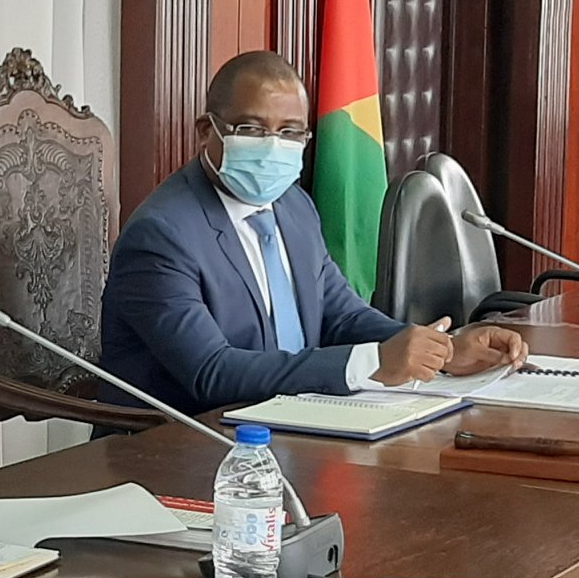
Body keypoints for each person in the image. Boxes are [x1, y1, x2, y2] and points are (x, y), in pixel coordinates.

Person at [99, 51, 526, 414]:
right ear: (207, 131)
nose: (272, 145)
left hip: (296, 422)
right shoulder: (161, 236)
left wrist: (445, 350)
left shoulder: (293, 206)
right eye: (251, 129)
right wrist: (372, 362)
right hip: (182, 445)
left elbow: (340, 316)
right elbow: (212, 372)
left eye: (289, 132)